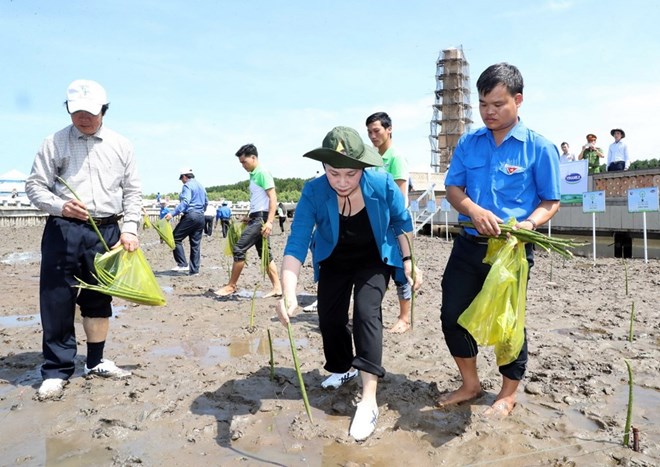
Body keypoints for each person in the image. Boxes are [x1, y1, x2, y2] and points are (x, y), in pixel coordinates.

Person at [276, 126, 421, 441]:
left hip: (374, 257)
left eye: (350, 174)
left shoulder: (381, 183)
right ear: (324, 168)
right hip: (334, 258)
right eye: (334, 173)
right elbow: (297, 242)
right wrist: (288, 293)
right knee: (329, 318)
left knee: (367, 313)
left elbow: (401, 222)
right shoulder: (314, 191)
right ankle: (343, 368)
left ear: (363, 167)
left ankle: (369, 399)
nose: (342, 182)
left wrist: (409, 261)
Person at [439, 63, 560, 417]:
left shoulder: (539, 147)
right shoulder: (469, 143)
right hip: (468, 244)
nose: (488, 112)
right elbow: (453, 189)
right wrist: (474, 211)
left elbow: (550, 201)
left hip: (512, 250)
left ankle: (508, 393)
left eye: (497, 104)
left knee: (509, 324)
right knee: (453, 315)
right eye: (482, 104)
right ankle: (470, 383)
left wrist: (527, 224)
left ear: (518, 100)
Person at [25, 79, 142, 400]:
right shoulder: (55, 142)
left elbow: (133, 192)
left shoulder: (122, 145)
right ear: (68, 109)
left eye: (90, 113)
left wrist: (130, 229)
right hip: (64, 229)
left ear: (104, 111)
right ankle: (57, 369)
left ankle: (95, 360)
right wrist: (60, 205)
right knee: (57, 298)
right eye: (76, 112)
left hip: (107, 231)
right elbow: (35, 186)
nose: (83, 118)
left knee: (98, 298)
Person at [366, 111, 413, 334]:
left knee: (401, 271)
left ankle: (404, 318)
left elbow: (399, 196)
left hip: (394, 224)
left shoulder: (395, 158)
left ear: (389, 129)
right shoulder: (373, 159)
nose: (372, 135)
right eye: (369, 132)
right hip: (377, 224)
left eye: (376, 131)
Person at [214, 144, 282, 298]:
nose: (243, 166)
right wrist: (250, 217)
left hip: (261, 219)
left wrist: (270, 222)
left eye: (244, 162)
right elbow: (260, 201)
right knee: (265, 253)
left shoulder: (262, 173)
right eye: (241, 163)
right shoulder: (253, 175)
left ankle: (231, 286)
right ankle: (277, 287)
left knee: (239, 249)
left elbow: (273, 198)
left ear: (253, 157)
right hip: (256, 217)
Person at [165, 168, 208, 275]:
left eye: (181, 178)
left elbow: (185, 202)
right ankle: (194, 271)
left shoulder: (187, 185)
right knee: (195, 244)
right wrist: (200, 212)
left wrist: (172, 213)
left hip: (191, 215)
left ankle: (182, 264)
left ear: (185, 176)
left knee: (175, 238)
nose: (181, 181)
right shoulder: (201, 186)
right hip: (201, 216)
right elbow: (206, 202)